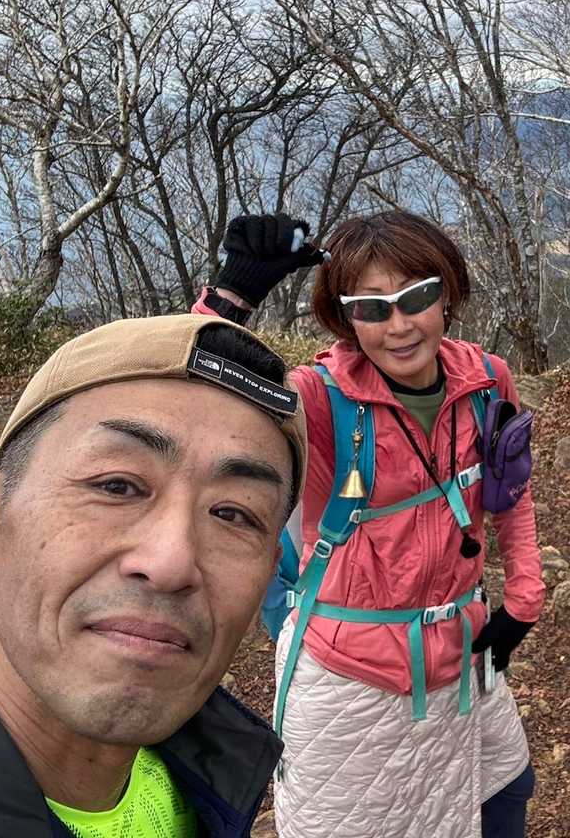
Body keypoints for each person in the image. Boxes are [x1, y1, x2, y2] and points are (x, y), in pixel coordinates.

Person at [196, 210, 543, 838]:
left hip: (462, 652)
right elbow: (198, 402)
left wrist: (521, 603)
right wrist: (233, 296)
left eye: (417, 297)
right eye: (372, 307)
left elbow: (510, 491)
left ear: (447, 293)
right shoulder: (317, 399)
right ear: (346, 318)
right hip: (350, 672)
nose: (399, 325)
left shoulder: (486, 380)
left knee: (504, 789)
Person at [0, 314, 309, 838]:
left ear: (268, 577)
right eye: (117, 486)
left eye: (234, 514)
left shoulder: (207, 777)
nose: (171, 562)